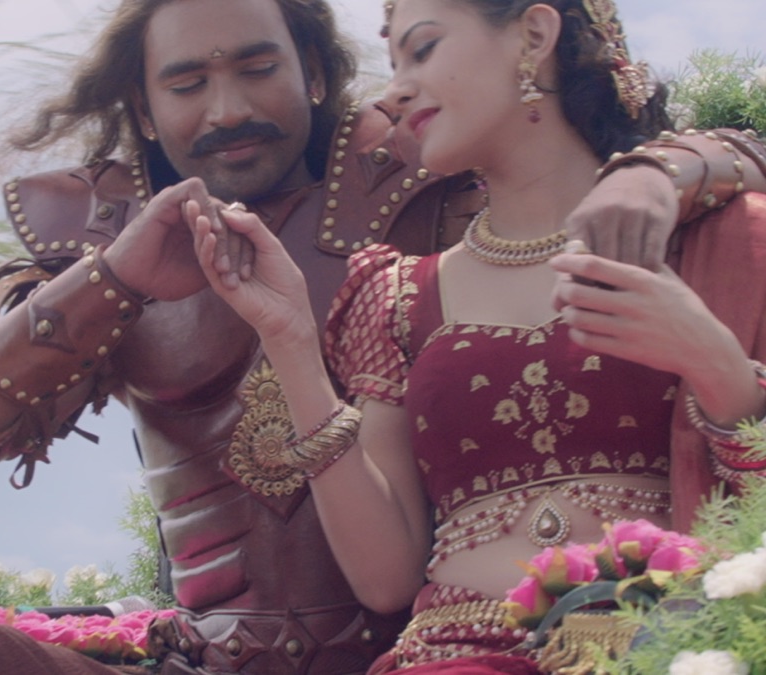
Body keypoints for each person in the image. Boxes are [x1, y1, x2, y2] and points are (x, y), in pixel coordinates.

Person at [0, 0, 766, 672]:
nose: (228, 108)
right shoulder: (97, 245)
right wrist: (113, 279)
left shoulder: (425, 181)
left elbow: (691, 156)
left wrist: (660, 172)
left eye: (258, 67)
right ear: (143, 109)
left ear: (312, 71)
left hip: (511, 631)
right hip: (211, 655)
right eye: (186, 85)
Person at [178, 0, 766, 672]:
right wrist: (289, 341)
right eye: (393, 64)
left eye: (423, 50)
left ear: (533, 35)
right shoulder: (397, 296)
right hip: (454, 652)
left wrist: (714, 364)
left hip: (678, 641)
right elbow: (385, 578)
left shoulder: (718, 244)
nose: (394, 92)